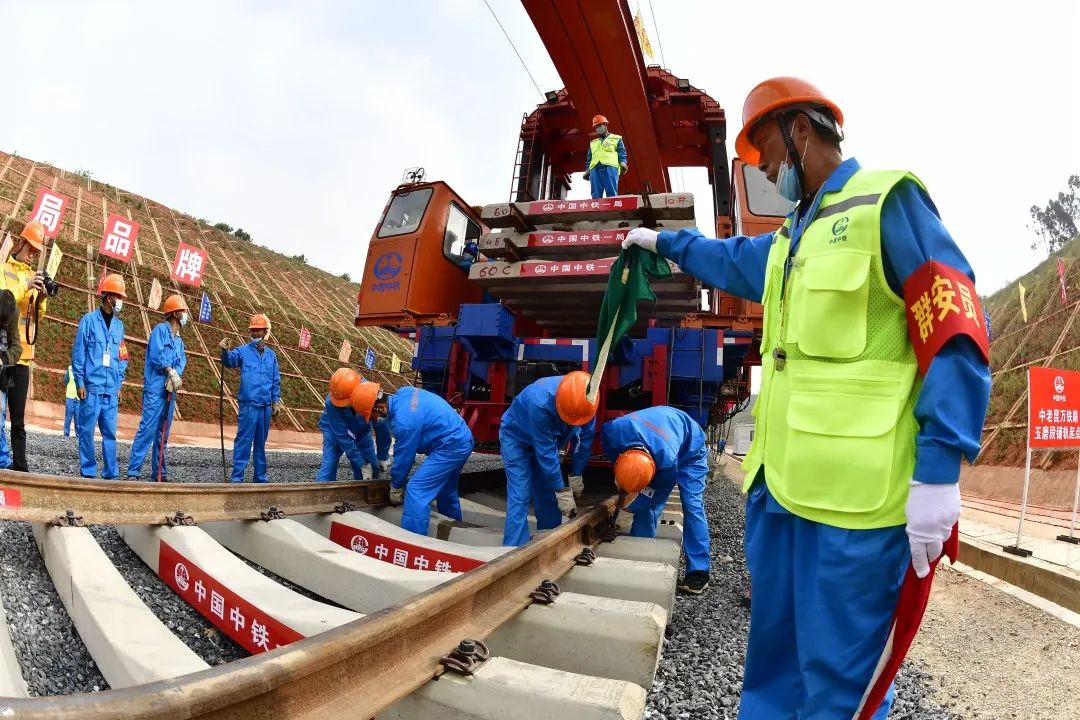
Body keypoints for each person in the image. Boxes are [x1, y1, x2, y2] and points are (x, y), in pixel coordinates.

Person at [621, 77, 991, 718]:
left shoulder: (887, 204)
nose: (762, 167)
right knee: (771, 673)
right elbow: (730, 257)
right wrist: (665, 244)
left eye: (764, 150)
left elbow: (954, 330)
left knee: (838, 687)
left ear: (800, 130)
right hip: (782, 495)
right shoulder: (791, 238)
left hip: (856, 510)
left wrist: (939, 471)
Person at [602, 406, 711, 594]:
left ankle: (699, 571)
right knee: (644, 499)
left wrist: (628, 508)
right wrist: (625, 489)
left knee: (691, 505)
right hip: (660, 436)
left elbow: (655, 495)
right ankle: (639, 547)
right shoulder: (612, 432)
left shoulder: (666, 461)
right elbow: (615, 462)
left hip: (691, 450)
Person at [352, 381, 473, 535]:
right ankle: (455, 532)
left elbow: (404, 458)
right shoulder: (404, 392)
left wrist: (396, 487)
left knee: (416, 490)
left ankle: (413, 540)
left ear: (380, 407)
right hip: (461, 438)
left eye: (373, 416)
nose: (374, 421)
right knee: (445, 489)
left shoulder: (404, 423)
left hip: (450, 446)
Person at [499, 371, 597, 546]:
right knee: (520, 492)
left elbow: (584, 443)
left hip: (545, 442)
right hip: (516, 439)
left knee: (547, 494)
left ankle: (549, 539)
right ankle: (511, 548)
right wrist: (562, 491)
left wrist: (577, 474)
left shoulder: (587, 402)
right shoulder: (540, 402)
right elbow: (546, 453)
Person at [3, 220, 58, 471]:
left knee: (18, 420)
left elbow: (36, 317)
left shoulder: (33, 275)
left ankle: (20, 467)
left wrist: (42, 298)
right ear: (22, 241)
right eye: (31, 247)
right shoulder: (4, 270)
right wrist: (24, 286)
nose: (33, 253)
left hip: (23, 357)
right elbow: (4, 304)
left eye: (37, 250)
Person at [125, 294, 188, 481]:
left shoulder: (179, 341)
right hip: (155, 390)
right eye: (183, 311)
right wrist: (169, 371)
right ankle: (133, 472)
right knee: (147, 430)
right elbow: (156, 354)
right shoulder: (160, 330)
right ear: (176, 313)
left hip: (169, 390)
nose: (185, 315)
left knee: (163, 434)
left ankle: (159, 473)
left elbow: (182, 360)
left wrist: (176, 374)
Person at [72, 273, 129, 479]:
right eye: (118, 296)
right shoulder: (88, 321)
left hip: (110, 391)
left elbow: (123, 357)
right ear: (108, 297)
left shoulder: (119, 326)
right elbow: (79, 354)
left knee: (110, 434)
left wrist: (120, 384)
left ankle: (110, 473)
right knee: (86, 432)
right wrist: (80, 381)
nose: (120, 301)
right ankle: (88, 471)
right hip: (92, 388)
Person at [219, 314, 281, 483]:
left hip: (265, 407)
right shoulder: (243, 351)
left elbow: (275, 380)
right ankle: (237, 478)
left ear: (265, 332)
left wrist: (276, 401)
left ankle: (260, 478)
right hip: (249, 406)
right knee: (244, 442)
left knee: (260, 444)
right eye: (252, 331)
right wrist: (225, 351)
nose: (254, 334)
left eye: (258, 331)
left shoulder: (271, 356)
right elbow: (230, 361)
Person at [317, 367, 382, 482]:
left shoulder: (370, 391)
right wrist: (361, 463)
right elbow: (342, 435)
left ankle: (366, 491)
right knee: (329, 465)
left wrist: (383, 454)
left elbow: (381, 422)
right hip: (334, 430)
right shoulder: (331, 403)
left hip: (361, 430)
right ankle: (320, 495)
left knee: (372, 466)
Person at [0, 289, 22, 467]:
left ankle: (3, 461)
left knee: (0, 418)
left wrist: (4, 358)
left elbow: (17, 346)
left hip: (3, 370)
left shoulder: (13, 312)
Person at [583, 114, 628, 199]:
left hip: (610, 167)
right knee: (595, 194)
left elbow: (621, 152)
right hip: (595, 169)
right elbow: (589, 158)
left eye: (600, 125)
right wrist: (588, 170)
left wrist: (623, 162)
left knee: (611, 191)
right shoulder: (593, 143)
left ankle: (613, 210)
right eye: (596, 127)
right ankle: (596, 210)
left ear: (605, 125)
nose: (598, 128)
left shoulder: (616, 138)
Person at [62, 364, 79, 438]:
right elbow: (65, 381)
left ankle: (78, 435)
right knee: (68, 417)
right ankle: (66, 434)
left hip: (78, 398)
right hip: (70, 397)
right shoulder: (69, 369)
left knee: (78, 418)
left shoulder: (81, 369)